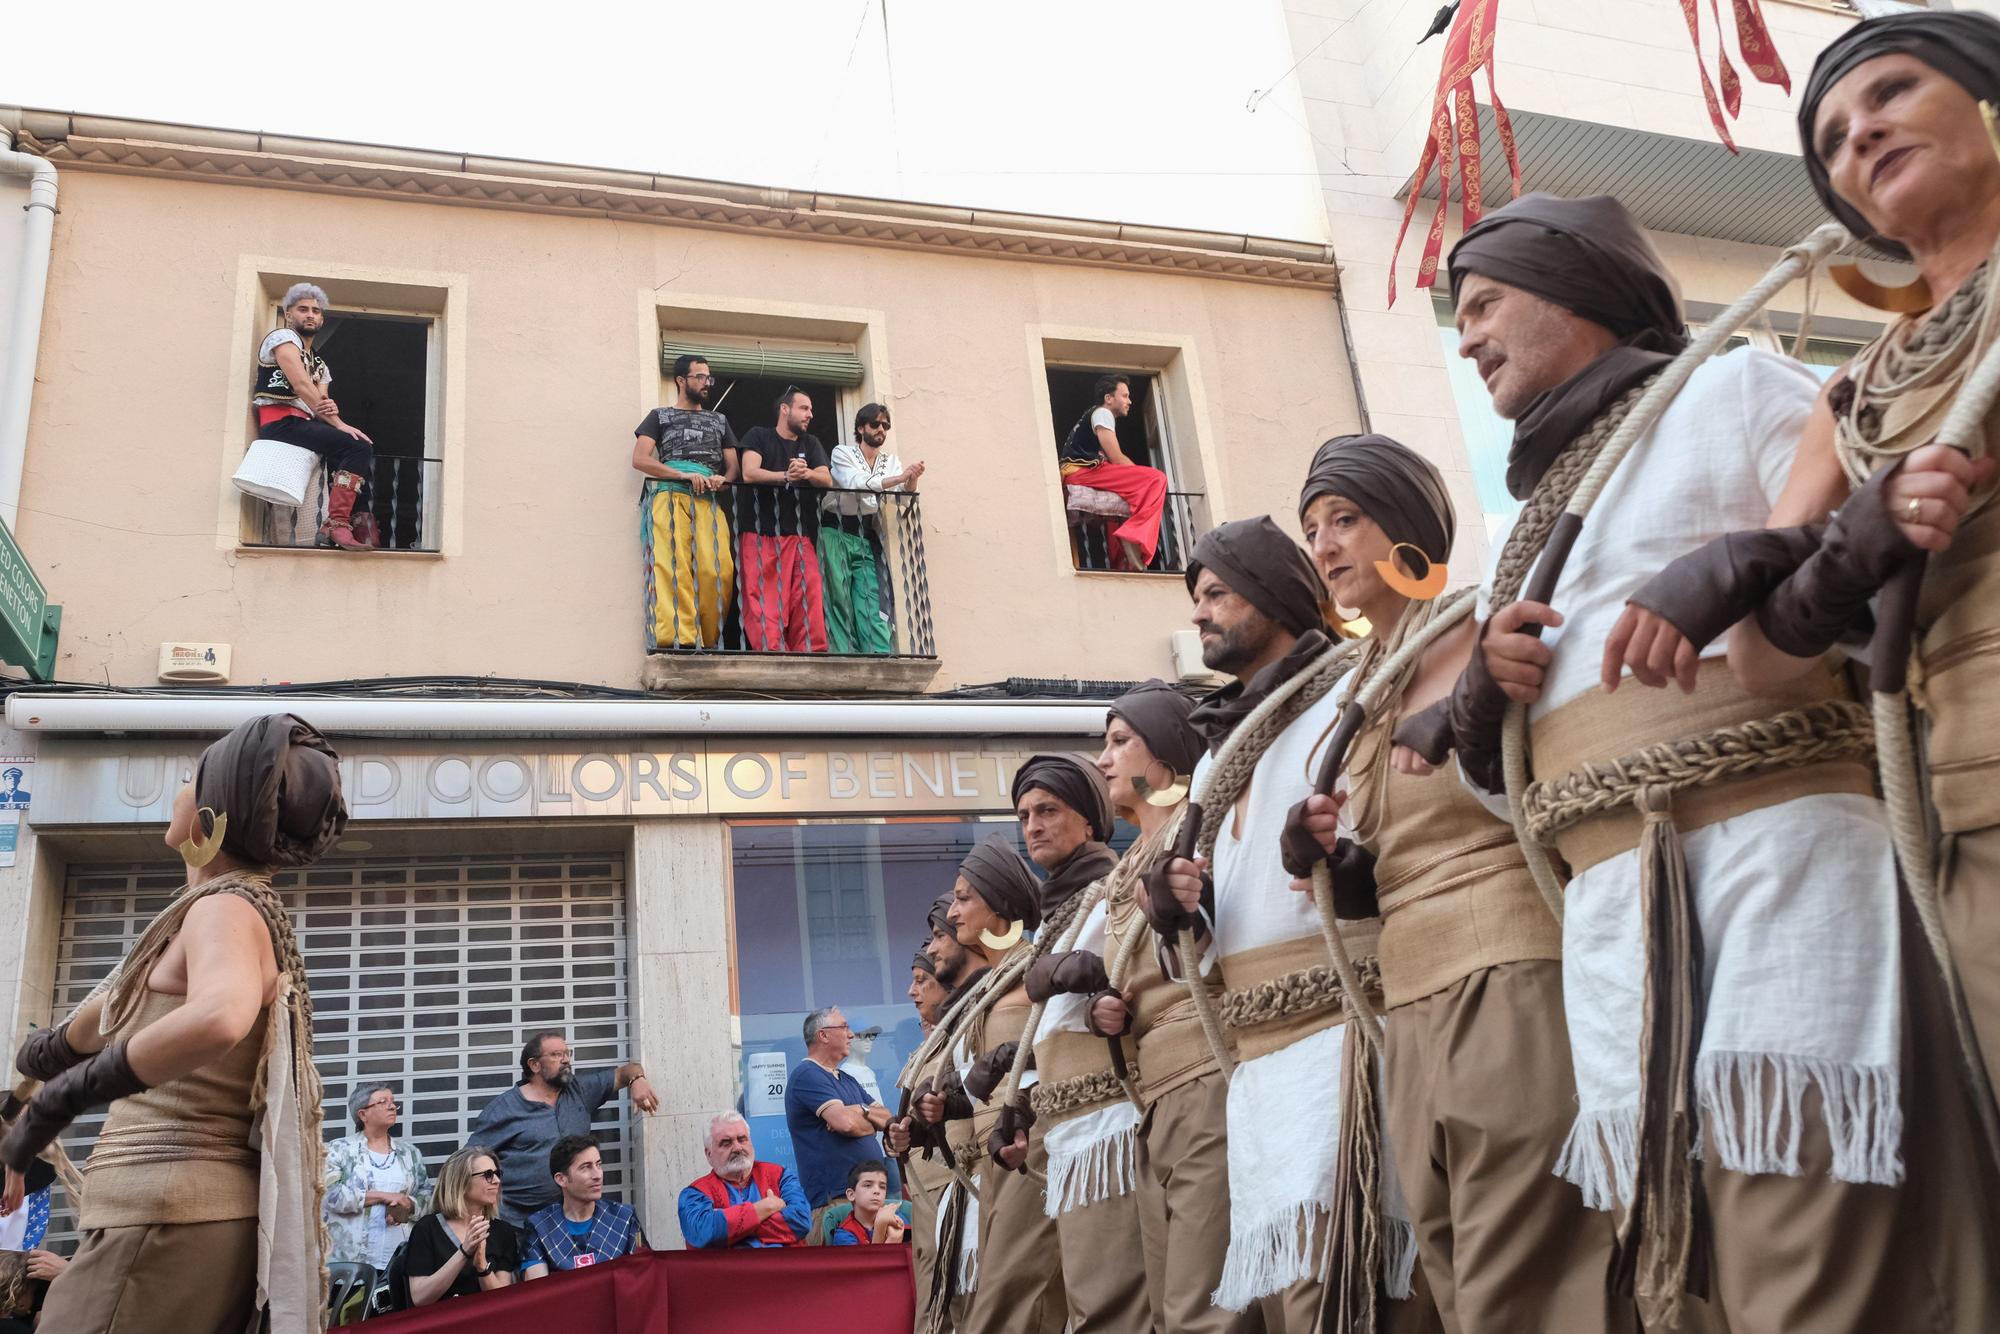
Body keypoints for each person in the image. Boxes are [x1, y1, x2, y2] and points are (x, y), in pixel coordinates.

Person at [1405, 189, 1984, 1332]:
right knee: (1686, 1257)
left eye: (1482, 303)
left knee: (1811, 1233)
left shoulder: (1732, 386)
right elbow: (1523, 794)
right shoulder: (1538, 513)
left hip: (1779, 862)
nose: (1463, 336)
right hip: (1616, 910)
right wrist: (1483, 709)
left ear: (1575, 291)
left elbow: (1876, 562)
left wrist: (1748, 562)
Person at [1284, 435, 1632, 1332]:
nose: (1324, 545)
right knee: (1449, 1264)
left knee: (1531, 1265)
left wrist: (1469, 720)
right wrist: (1330, 865)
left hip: (1511, 972)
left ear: (1408, 527)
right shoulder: (1361, 689)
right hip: (1409, 999)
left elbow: (1541, 798)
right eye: (1313, 527)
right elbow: (1391, 857)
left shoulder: (1485, 631)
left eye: (1346, 520)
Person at [1151, 518, 1425, 1330]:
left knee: (1354, 1292)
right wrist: (1180, 918)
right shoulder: (1213, 756)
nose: (1200, 614)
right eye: (1195, 598)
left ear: (1275, 597)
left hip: (1342, 1036)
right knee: (1290, 1302)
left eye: (1218, 594)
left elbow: (1398, 842)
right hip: (1259, 1061)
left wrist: (1341, 862)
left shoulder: (1353, 693)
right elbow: (1206, 947)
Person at [2, 715, 345, 1334]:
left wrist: (60, 1101)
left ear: (214, 818)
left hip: (167, 1218)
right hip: (170, 1219)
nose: (178, 788)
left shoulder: (224, 907)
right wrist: (36, 1073)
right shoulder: (210, 912)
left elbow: (219, 1016)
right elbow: (95, 1026)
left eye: (190, 777)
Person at [1087, 682, 1249, 1334]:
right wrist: (1112, 1011)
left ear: (1167, 757)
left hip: (1206, 1078)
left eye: (1120, 741)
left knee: (1200, 1307)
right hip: (1156, 1096)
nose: (1103, 760)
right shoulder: (1130, 861)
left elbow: (1216, 938)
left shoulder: (1197, 827)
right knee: (1167, 1308)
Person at [997, 754, 1152, 1333]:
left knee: (1110, 1304)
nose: (1032, 825)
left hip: (1111, 1125)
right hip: (1066, 1131)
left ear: (1089, 820)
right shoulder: (1057, 912)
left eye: (1047, 810)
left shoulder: (1115, 891)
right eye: (1023, 815)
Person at [904, 836, 1059, 1334]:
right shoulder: (992, 986)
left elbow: (1053, 1055)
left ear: (999, 907)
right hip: (990, 1163)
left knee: (1006, 1302)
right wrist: (945, 1103)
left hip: (1025, 1151)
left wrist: (992, 1071)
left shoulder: (1031, 968)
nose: (955, 911)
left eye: (966, 898)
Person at [470, 1030, 659, 1226]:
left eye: (567, 1053)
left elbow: (627, 1071)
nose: (566, 1060)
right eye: (556, 1054)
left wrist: (637, 1080)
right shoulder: (504, 1109)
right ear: (534, 1065)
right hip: (519, 1226)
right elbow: (469, 1160)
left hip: (570, 1222)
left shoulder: (580, 1091)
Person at [249, 283, 377, 550]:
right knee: (354, 445)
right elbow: (302, 387)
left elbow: (322, 404)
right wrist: (341, 424)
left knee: (356, 449)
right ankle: (338, 523)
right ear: (288, 314)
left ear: (321, 319)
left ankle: (355, 519)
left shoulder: (320, 365)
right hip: (280, 423)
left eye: (316, 311)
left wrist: (343, 427)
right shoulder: (283, 338)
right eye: (303, 309)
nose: (310, 314)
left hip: (302, 424)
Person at [634, 352, 740, 650]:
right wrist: (679, 474)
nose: (707, 383)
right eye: (700, 377)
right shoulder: (659, 416)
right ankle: (678, 636)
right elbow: (640, 459)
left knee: (717, 570)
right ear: (681, 380)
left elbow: (733, 467)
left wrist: (724, 478)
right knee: (672, 567)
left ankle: (707, 639)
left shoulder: (719, 420)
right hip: (669, 497)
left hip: (708, 499)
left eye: (709, 377)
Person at [736, 387, 834, 652]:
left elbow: (826, 478)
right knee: (763, 599)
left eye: (811, 410)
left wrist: (807, 473)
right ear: (785, 409)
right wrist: (785, 476)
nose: (810, 415)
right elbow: (749, 473)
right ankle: (772, 651)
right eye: (804, 408)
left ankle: (810, 654)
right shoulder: (758, 435)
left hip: (799, 533)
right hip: (759, 532)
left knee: (808, 592)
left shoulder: (811, 443)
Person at [823, 402, 923, 654]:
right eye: (876, 424)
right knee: (838, 595)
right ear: (860, 427)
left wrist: (911, 480)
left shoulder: (890, 462)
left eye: (886, 425)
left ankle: (876, 652)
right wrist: (899, 478)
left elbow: (901, 495)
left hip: (866, 533)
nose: (881, 429)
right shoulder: (842, 453)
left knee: (871, 594)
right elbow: (855, 482)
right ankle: (844, 654)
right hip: (835, 529)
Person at [785, 1005, 892, 1236]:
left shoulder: (848, 1079)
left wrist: (860, 1110)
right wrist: (866, 1122)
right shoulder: (808, 1074)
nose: (851, 1034)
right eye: (844, 1027)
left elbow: (887, 1118)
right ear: (822, 1035)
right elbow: (846, 1123)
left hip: (865, 1202)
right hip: (836, 1202)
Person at [1060, 374, 1169, 571]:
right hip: (1083, 472)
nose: (1129, 401)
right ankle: (1134, 534)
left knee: (1128, 494)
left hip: (1080, 472)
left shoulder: (1093, 416)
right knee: (1156, 479)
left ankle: (1122, 560)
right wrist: (1141, 477)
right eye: (1125, 395)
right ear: (1109, 398)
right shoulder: (1103, 413)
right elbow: (1116, 457)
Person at [324, 1081, 432, 1273]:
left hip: (398, 1260)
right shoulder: (339, 1150)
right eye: (382, 1102)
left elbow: (428, 1197)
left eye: (393, 1101)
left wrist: (408, 1204)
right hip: (349, 1263)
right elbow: (331, 1197)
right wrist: (385, 1196)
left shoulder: (410, 1154)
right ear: (362, 1114)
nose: (392, 1106)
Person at [404, 1144, 523, 1306]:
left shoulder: (503, 1232)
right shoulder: (427, 1228)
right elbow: (420, 1298)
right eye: (488, 1175)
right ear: (461, 1181)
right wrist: (464, 1252)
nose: (496, 1181)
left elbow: (503, 1301)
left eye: (497, 1174)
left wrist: (482, 1266)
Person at [679, 1111, 810, 1249]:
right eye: (726, 1143)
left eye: (742, 1139)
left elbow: (801, 1221)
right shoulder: (695, 1193)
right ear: (708, 1153)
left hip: (784, 1268)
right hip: (727, 1270)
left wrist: (727, 1227)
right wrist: (766, 1207)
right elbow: (703, 1233)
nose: (737, 1148)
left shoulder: (780, 1176)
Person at [521, 1135, 646, 1274]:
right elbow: (538, 1290)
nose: (597, 1175)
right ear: (561, 1179)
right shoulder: (539, 1226)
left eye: (598, 1165)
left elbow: (643, 1275)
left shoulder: (625, 1217)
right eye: (586, 1167)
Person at [828, 1160, 913, 1245]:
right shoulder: (844, 1235)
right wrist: (881, 1226)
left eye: (882, 1187)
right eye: (868, 1185)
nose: (877, 1191)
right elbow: (867, 1259)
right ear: (851, 1194)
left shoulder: (896, 1216)